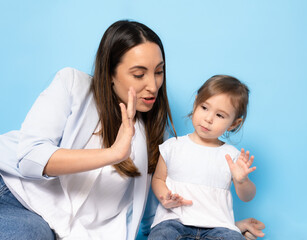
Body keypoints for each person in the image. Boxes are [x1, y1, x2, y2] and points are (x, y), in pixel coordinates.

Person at [0, 20, 264, 240]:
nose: (153, 86)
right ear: (110, 73)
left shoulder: (151, 135)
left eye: (159, 72)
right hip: (15, 194)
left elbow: (153, 213)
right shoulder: (72, 85)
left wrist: (221, 228)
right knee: (30, 231)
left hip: (69, 230)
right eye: (139, 75)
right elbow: (30, 159)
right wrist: (113, 153)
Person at [148, 75, 264, 240]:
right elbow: (158, 178)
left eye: (220, 115)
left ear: (233, 124)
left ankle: (239, 232)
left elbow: (247, 197)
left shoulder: (231, 156)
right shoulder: (172, 146)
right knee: (159, 236)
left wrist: (242, 181)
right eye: (204, 108)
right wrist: (164, 197)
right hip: (173, 221)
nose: (208, 119)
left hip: (218, 227)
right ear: (196, 103)